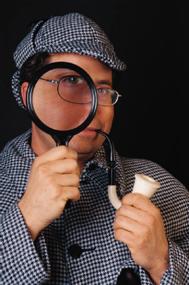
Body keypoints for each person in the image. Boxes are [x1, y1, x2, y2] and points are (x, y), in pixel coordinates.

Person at [1, 13, 189, 285]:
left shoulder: (164, 187)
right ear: (28, 94)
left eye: (103, 90)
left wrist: (163, 263)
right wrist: (25, 221)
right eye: (71, 81)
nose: (94, 108)